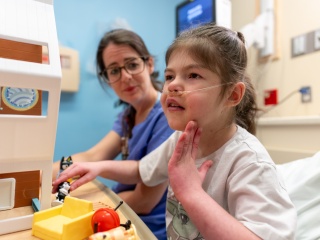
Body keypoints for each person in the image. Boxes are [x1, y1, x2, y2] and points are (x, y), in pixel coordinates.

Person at [53, 23, 297, 239]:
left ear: (232, 95)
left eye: (193, 75)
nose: (173, 86)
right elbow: (143, 169)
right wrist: (99, 167)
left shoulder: (248, 162)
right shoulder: (181, 138)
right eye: (170, 76)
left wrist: (191, 193)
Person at [52, 29, 174, 240]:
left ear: (150, 65)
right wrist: (43, 173)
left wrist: (85, 209)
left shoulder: (168, 116)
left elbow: (145, 201)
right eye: (114, 70)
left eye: (132, 64)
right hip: (124, 214)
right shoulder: (128, 116)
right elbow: (92, 157)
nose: (125, 76)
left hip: (148, 228)